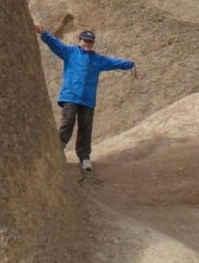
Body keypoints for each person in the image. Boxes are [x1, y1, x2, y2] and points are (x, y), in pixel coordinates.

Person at [34, 25, 136, 171]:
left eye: (90, 42)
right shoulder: (70, 52)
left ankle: (85, 158)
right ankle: (58, 149)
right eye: (85, 41)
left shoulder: (98, 59)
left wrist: (130, 64)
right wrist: (43, 33)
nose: (87, 44)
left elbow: (114, 62)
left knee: (86, 127)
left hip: (87, 100)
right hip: (70, 96)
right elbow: (55, 44)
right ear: (80, 41)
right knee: (67, 122)